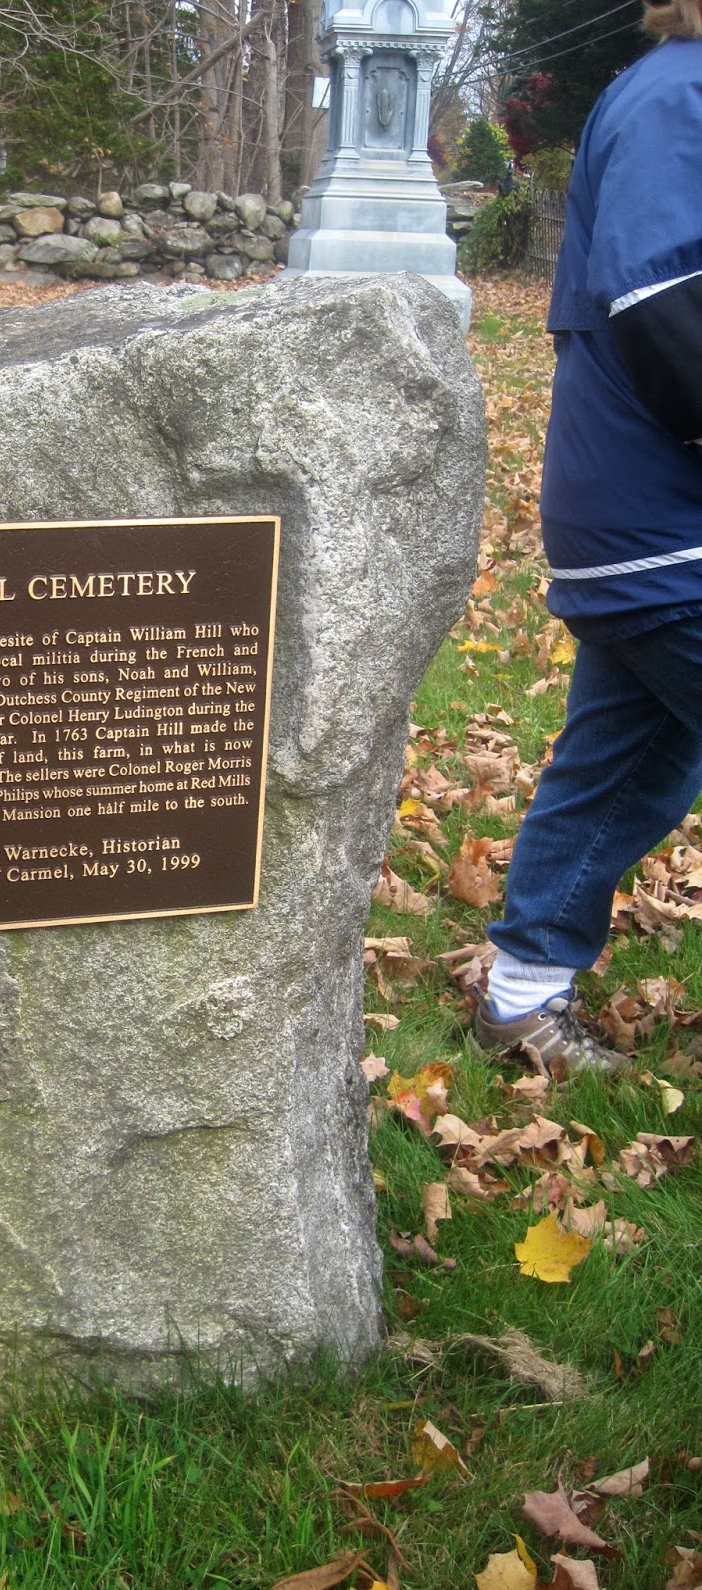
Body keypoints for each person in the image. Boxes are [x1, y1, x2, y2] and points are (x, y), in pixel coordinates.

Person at [474, 0, 702, 1075]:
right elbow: (665, 302)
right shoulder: (680, 93)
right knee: (631, 755)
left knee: (631, 758)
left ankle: (520, 997)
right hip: (662, 513)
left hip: (641, 512)